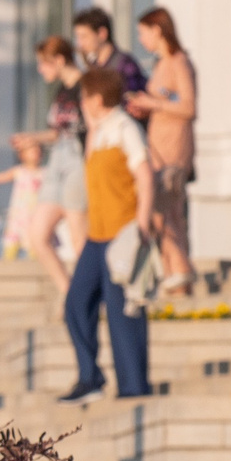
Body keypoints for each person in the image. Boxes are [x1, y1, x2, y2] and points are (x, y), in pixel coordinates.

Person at [61, 67, 153, 403]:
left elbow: (144, 176)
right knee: (76, 303)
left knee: (122, 312)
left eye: (85, 96)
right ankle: (90, 378)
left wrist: (142, 225)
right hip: (97, 236)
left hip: (123, 232)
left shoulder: (125, 128)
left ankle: (133, 387)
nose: (82, 102)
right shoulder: (97, 132)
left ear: (97, 98)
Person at [127, 7, 198, 294]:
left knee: (164, 210)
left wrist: (153, 104)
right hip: (157, 146)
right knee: (164, 214)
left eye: (143, 33)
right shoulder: (160, 65)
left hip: (174, 149)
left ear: (157, 30)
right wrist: (143, 107)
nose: (141, 39)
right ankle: (174, 276)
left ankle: (179, 273)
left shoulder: (179, 62)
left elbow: (188, 107)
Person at [14, 36, 87, 294]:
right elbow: (57, 132)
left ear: (59, 60)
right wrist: (32, 138)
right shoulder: (61, 91)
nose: (40, 69)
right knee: (37, 234)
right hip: (57, 159)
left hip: (79, 159)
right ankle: (69, 293)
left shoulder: (85, 86)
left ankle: (87, 297)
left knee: (79, 236)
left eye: (44, 63)